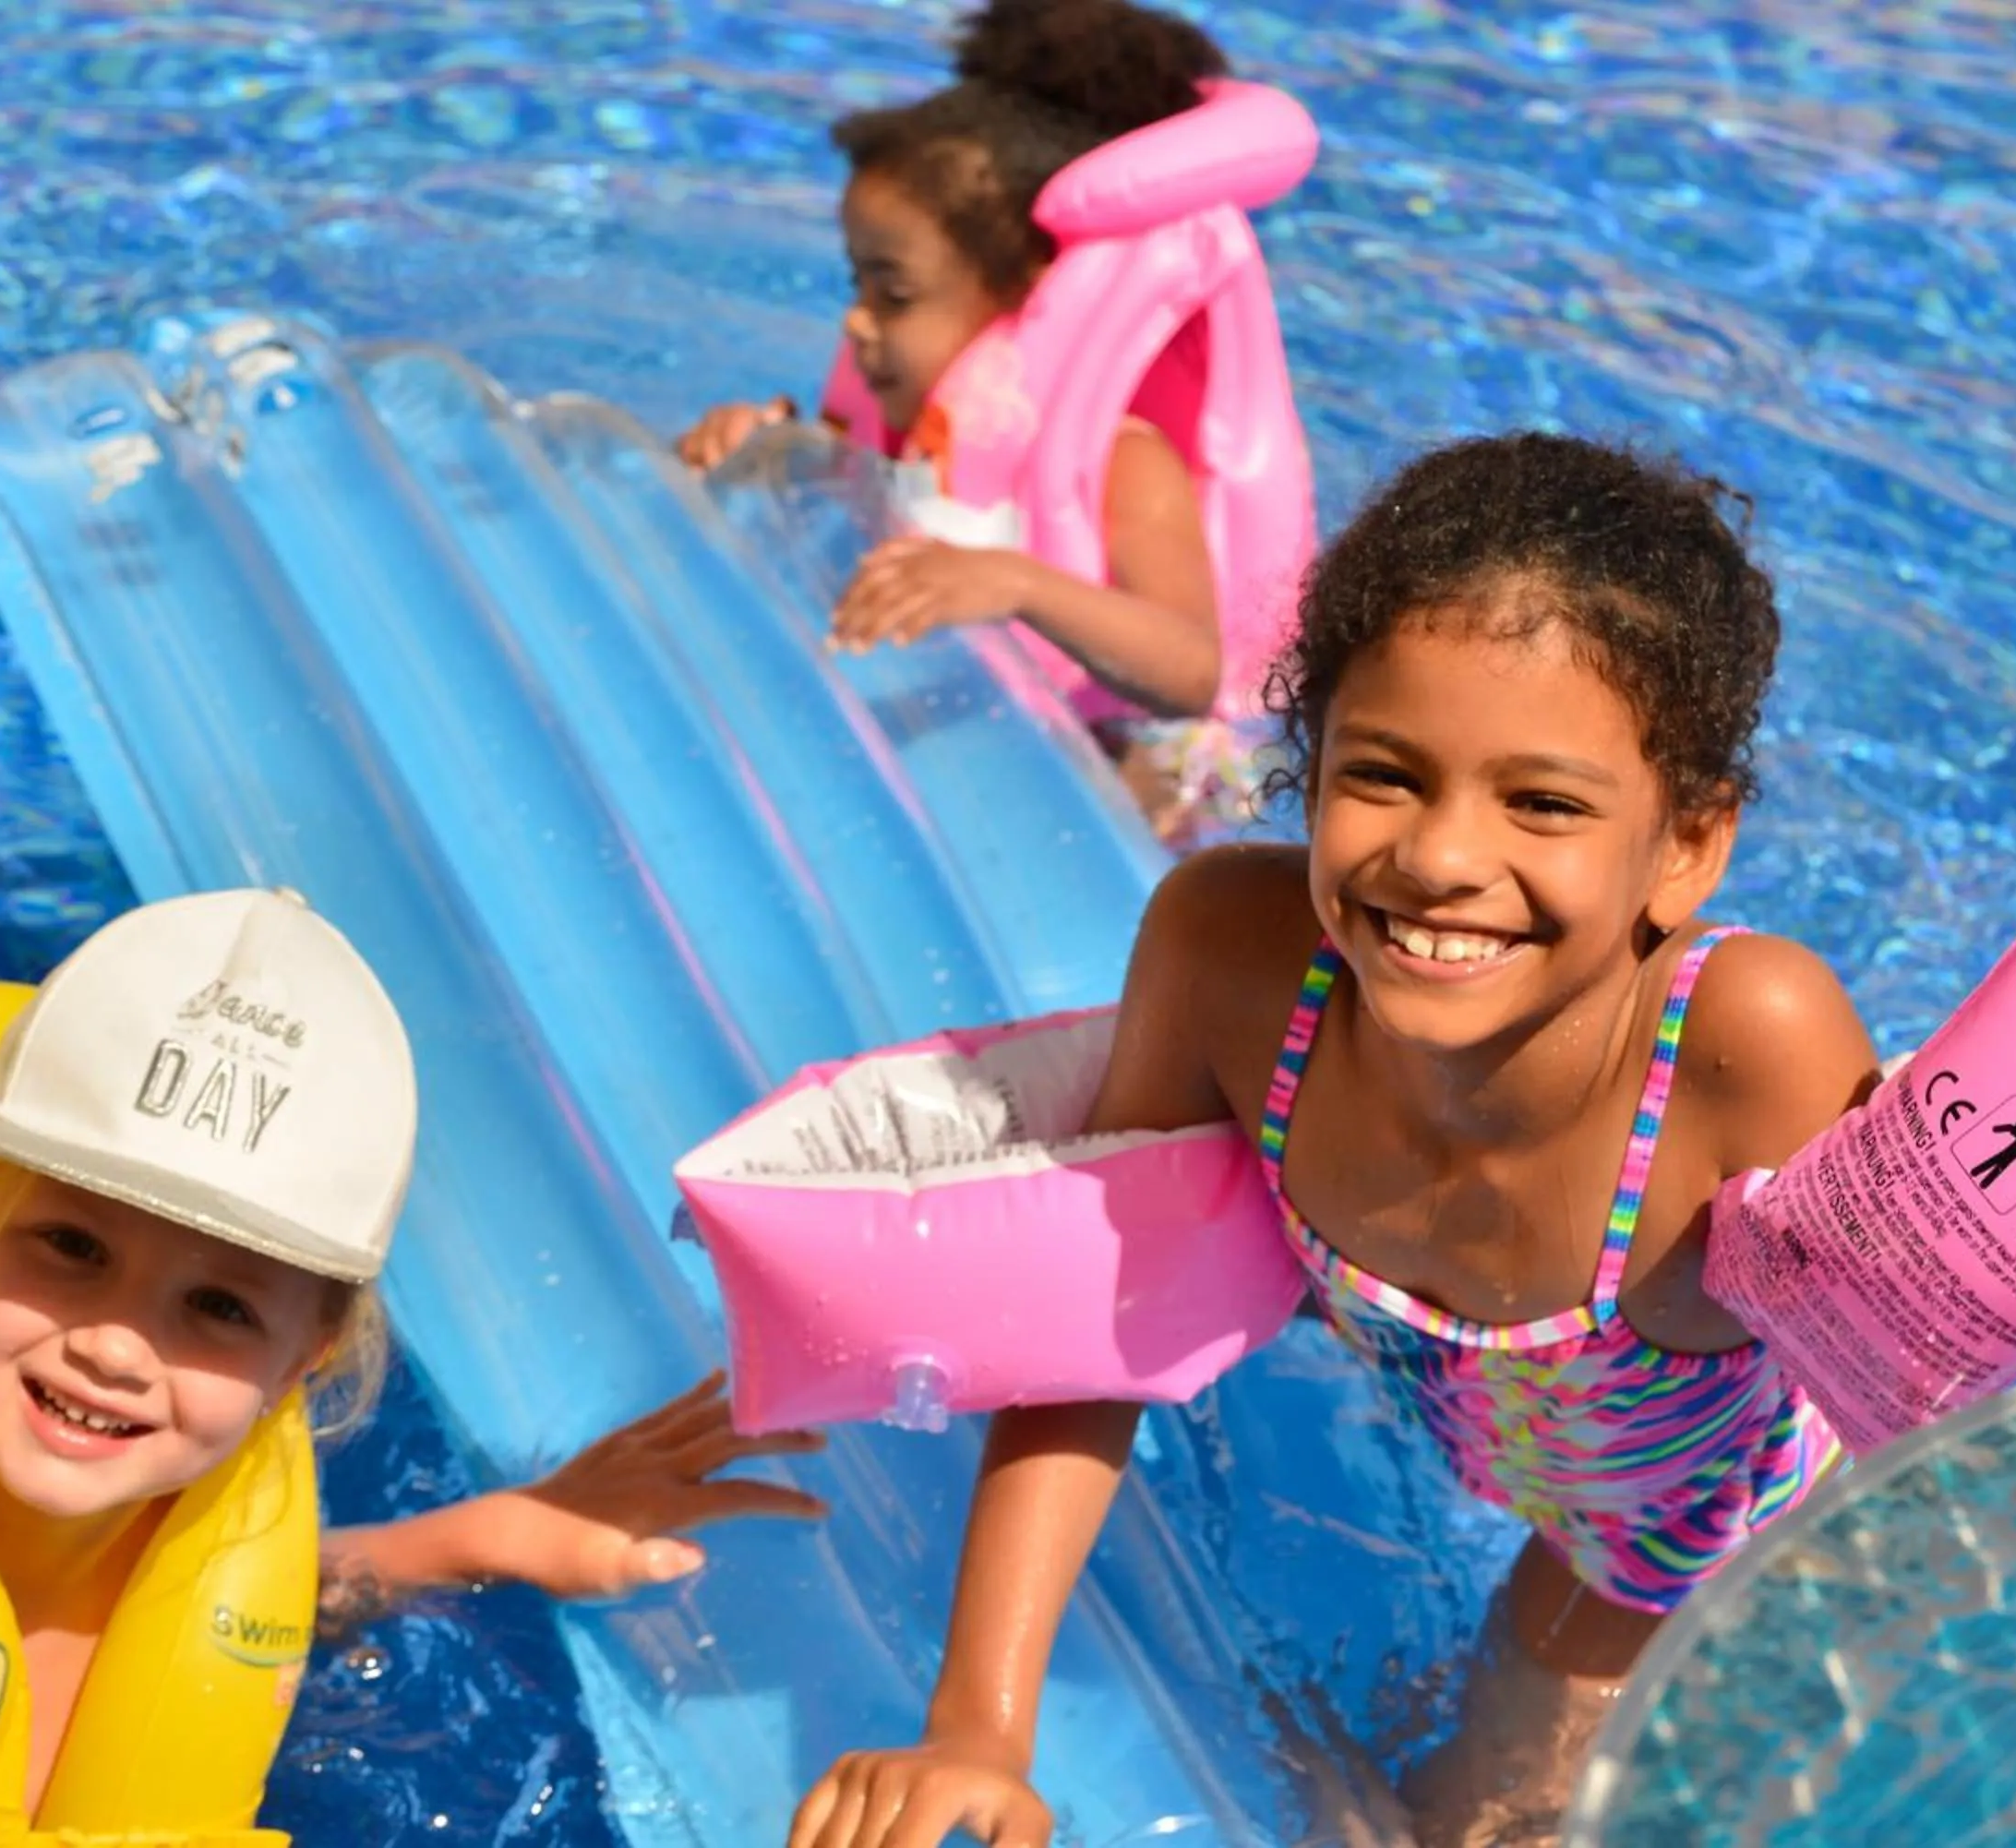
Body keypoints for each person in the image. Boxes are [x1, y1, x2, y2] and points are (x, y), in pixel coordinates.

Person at [786, 433, 1883, 1848]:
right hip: (1524, 1452)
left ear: (1687, 845)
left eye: (1542, 802)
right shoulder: (1234, 960)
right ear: (1305, 767)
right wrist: (977, 1726)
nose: (1437, 856)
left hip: (1691, 1547)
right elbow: (1092, 1329)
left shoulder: (1746, 1047)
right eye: (1385, 773)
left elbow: (1918, 1397)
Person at [0, 885, 821, 1837]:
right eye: (70, 1244)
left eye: (219, 1307)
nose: (119, 1342)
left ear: (304, 1355)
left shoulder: (196, 1547)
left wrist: (485, 1534)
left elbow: (256, 1612)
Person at [677, 0, 1319, 846]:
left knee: (1142, 804)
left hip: (1146, 745)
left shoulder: (1126, 463)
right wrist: (759, 456)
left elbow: (1190, 671)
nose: (857, 324)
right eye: (855, 286)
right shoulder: (916, 413)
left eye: (894, 295)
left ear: (1027, 294)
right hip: (987, 713)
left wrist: (1019, 583)